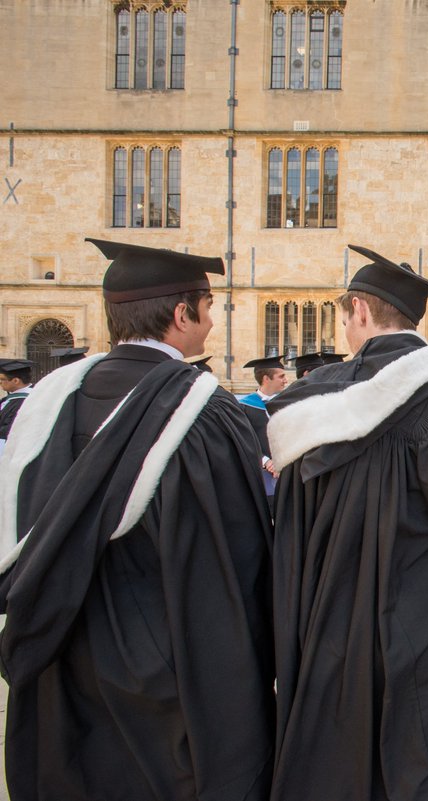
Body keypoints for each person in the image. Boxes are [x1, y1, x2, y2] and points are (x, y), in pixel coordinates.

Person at [0, 237, 274, 801]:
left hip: (60, 648)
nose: (212, 320)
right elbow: (238, 557)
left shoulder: (47, 404)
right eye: (209, 307)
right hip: (163, 668)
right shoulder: (206, 414)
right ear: (182, 315)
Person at [266, 245, 428, 801]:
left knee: (333, 757)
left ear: (360, 313)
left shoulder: (308, 402)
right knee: (419, 757)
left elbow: (288, 533)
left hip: (330, 621)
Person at [239, 356, 288, 502]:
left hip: (288, 471)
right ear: (266, 378)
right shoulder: (245, 407)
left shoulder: (288, 403)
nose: (286, 380)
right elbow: (244, 439)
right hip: (261, 474)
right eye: (281, 376)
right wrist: (267, 462)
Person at [0, 358, 36, 457]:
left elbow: (8, 431)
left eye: (2, 379)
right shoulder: (11, 398)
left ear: (16, 381)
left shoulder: (26, 401)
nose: (0, 382)